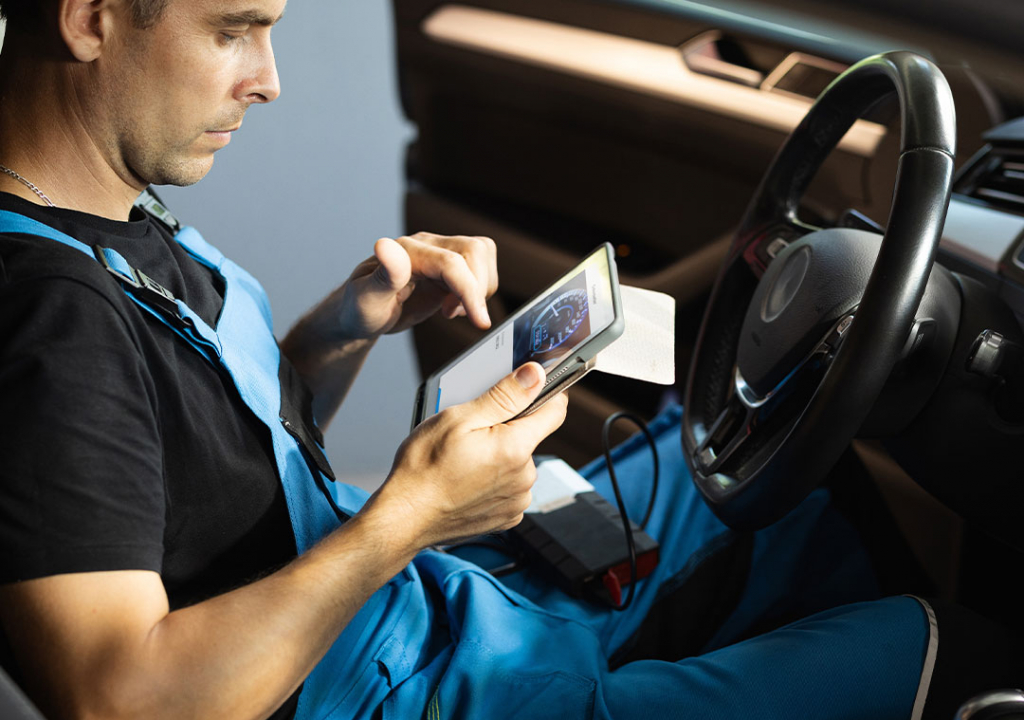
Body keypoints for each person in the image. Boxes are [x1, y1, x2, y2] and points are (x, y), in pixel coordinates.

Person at [0, 2, 1017, 719]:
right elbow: (118, 701)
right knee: (947, 651)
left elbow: (197, 464)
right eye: (232, 31)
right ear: (88, 18)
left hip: (417, 605)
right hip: (410, 686)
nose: (268, 79)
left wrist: (344, 327)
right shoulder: (46, 321)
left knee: (774, 469)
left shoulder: (107, 217)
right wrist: (413, 518)